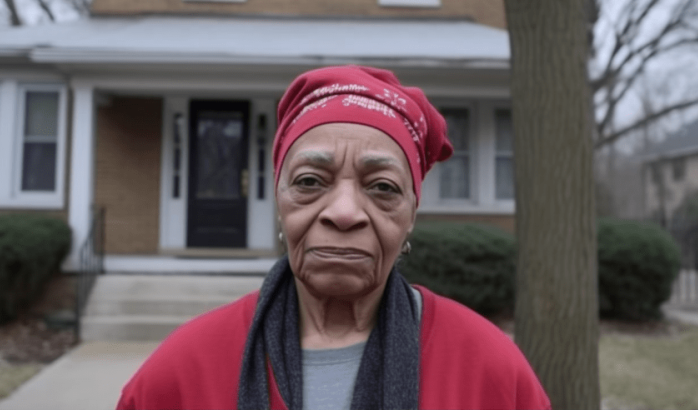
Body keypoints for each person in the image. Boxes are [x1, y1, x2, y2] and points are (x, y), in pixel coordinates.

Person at [116, 65, 551, 410]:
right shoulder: (181, 371)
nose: (344, 212)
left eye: (382, 187)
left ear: (411, 216)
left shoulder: (490, 369)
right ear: (280, 202)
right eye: (309, 181)